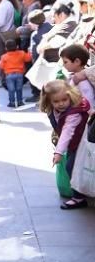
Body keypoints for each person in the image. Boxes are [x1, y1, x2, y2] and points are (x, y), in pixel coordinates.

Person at [41, 80, 90, 210]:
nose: (61, 104)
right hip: (76, 143)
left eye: (64, 99)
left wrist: (58, 152)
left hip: (82, 143)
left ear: (70, 96)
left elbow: (67, 132)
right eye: (56, 101)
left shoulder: (73, 113)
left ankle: (79, 198)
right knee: (75, 167)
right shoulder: (54, 110)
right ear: (49, 101)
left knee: (71, 166)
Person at [0, 40, 31, 108]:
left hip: (9, 75)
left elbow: (0, 66)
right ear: (17, 47)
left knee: (11, 90)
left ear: (6, 48)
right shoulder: (21, 53)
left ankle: (12, 102)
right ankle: (19, 102)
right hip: (19, 74)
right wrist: (29, 51)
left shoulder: (4, 56)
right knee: (19, 89)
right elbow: (28, 58)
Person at [60, 44, 95, 110]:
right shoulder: (75, 77)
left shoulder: (83, 82)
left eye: (65, 62)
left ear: (77, 61)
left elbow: (89, 102)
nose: (63, 65)